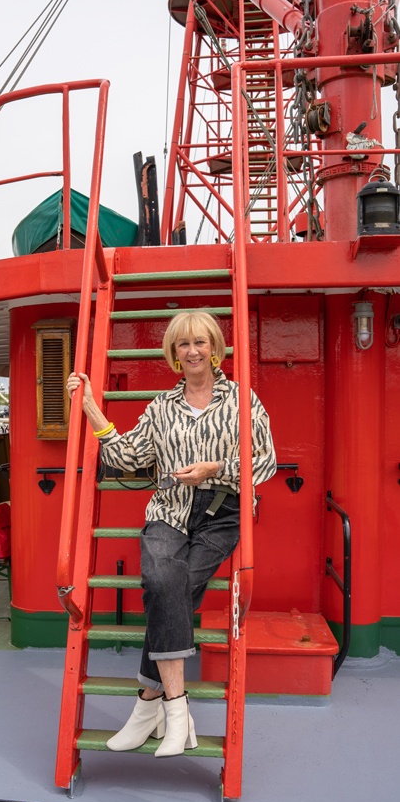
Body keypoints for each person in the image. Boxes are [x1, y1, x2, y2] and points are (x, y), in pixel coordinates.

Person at [66, 310, 276, 757]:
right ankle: (177, 708)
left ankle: (147, 705)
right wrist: (88, 406)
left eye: (201, 342)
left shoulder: (243, 400)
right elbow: (124, 456)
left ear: (216, 349)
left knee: (171, 592)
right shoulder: (161, 408)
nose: (193, 351)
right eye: (183, 344)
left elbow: (267, 461)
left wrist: (215, 469)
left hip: (223, 513)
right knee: (164, 582)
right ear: (173, 354)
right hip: (169, 509)